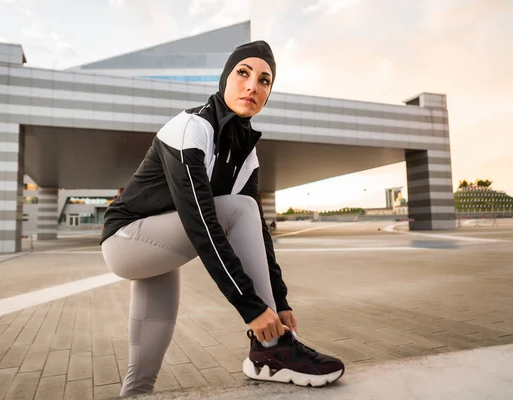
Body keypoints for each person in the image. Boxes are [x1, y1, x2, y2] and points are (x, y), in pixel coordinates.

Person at [100, 40, 345, 397]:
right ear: (224, 79)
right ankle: (271, 350)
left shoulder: (246, 153)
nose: (252, 85)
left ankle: (134, 394)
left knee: (143, 374)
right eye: (243, 73)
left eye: (265, 80)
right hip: (126, 240)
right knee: (238, 208)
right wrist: (253, 308)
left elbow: (259, 233)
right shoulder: (189, 128)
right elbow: (203, 224)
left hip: (158, 243)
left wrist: (281, 300)